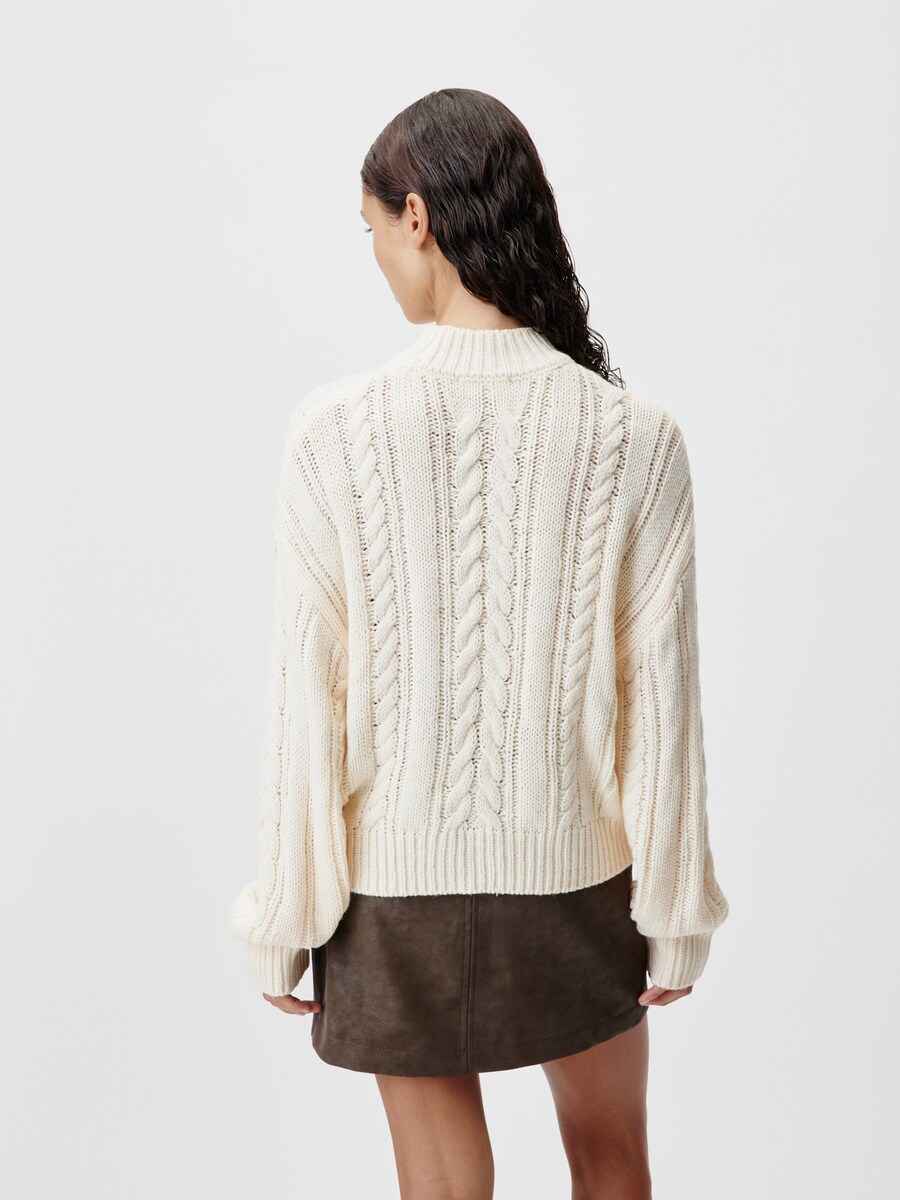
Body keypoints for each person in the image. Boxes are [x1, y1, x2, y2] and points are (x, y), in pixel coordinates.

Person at [228, 87, 729, 1199]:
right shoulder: (637, 439)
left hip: (392, 899)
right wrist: (676, 913)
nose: (376, 256)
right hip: (577, 889)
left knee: (443, 1189)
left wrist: (282, 916)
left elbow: (307, 702)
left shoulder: (334, 433)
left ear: (416, 217)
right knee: (613, 1159)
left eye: (370, 228)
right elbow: (661, 705)